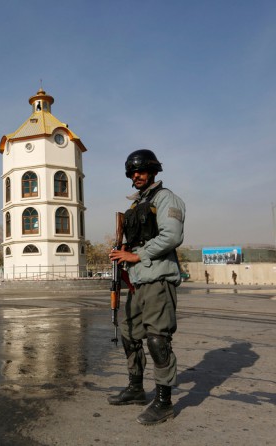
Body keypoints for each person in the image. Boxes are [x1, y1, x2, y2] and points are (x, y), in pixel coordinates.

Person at [107, 149, 186, 426]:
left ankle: (164, 402)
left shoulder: (166, 198)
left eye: (140, 171)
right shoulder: (135, 205)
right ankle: (136, 388)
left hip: (158, 278)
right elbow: (137, 240)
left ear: (153, 171)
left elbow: (172, 235)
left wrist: (137, 255)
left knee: (157, 339)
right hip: (137, 281)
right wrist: (123, 251)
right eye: (132, 173)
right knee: (129, 333)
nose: (136, 176)